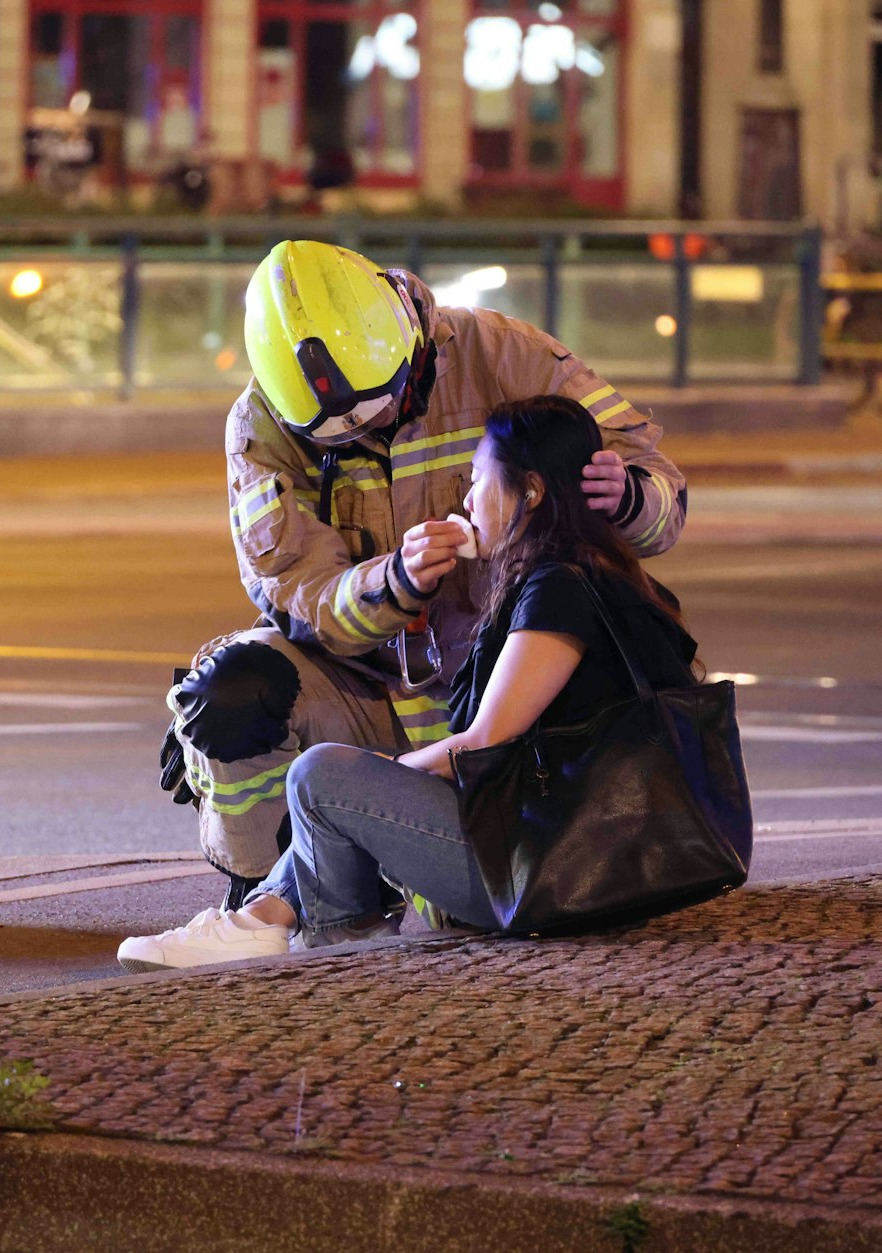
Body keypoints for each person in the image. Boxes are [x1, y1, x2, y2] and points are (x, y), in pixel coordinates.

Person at [158, 239, 687, 911]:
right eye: (341, 441)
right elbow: (298, 594)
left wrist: (629, 495)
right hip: (366, 688)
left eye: (395, 404)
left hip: (502, 692)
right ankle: (268, 893)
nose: (375, 433)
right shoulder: (261, 430)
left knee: (447, 882)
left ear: (411, 336)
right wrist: (393, 583)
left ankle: (314, 890)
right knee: (230, 690)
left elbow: (658, 493)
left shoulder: (502, 354)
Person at [121, 394, 699, 969]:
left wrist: (383, 774)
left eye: (477, 481)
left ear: (530, 491)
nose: (468, 501)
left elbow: (485, 742)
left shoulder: (559, 589)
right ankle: (269, 922)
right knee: (336, 781)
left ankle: (314, 938)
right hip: (569, 856)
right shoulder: (587, 574)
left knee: (322, 774)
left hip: (554, 871)